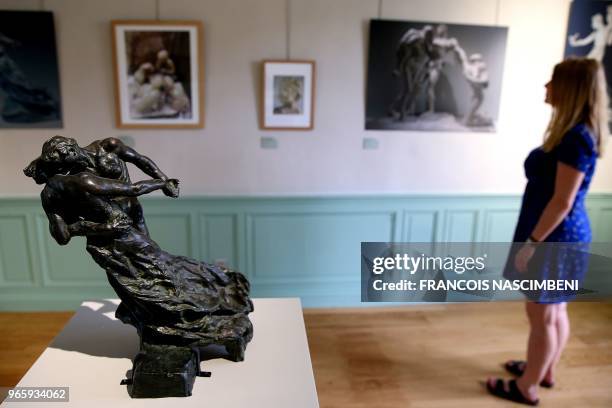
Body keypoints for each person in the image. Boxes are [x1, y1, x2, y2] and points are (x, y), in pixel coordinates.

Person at [486, 57, 608, 405]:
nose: (546, 87)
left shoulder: (575, 139)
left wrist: (532, 244)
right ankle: (544, 370)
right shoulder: (579, 133)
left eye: (552, 81)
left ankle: (527, 386)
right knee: (555, 311)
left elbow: (562, 202)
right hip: (562, 235)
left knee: (541, 315)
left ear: (569, 89)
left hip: (553, 237)